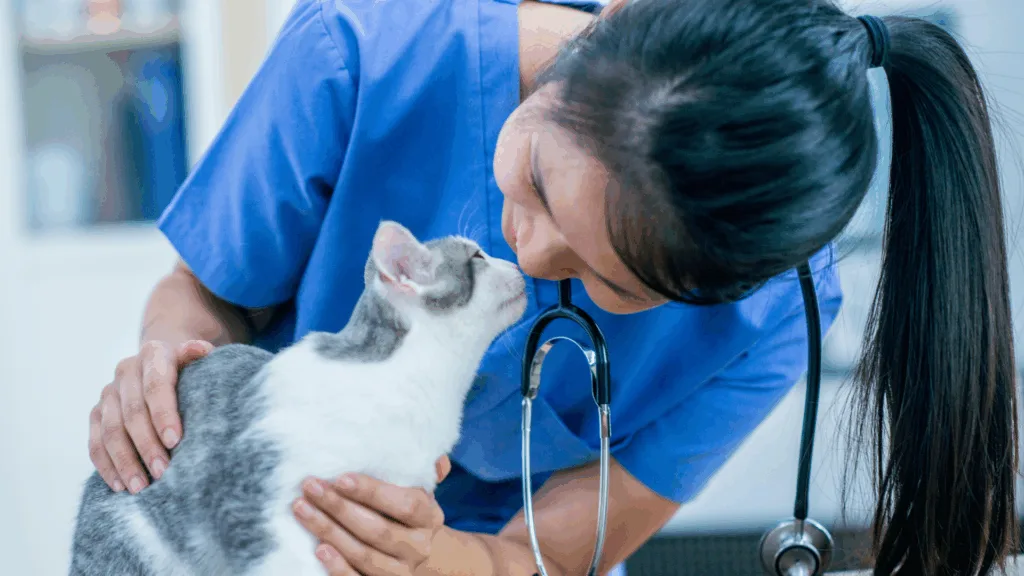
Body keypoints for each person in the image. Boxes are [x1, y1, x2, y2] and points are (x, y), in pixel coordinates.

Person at [86, 0, 1018, 573]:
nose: (528, 257)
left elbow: (542, 557)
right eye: (534, 177)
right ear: (609, 20)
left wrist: (422, 560)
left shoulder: (772, 313)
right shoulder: (361, 50)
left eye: (605, 279)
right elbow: (205, 296)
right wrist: (169, 367)